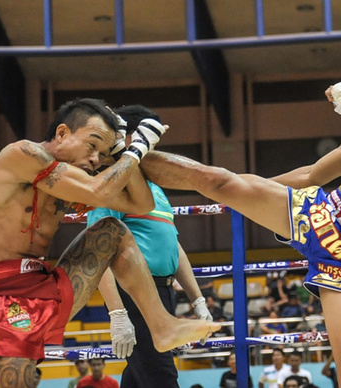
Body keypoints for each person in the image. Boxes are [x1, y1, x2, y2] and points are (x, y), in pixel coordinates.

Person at [139, 46, 341, 388]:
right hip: (318, 212)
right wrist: (246, 193)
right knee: (219, 181)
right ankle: (127, 157)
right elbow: (311, 177)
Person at [0, 98, 220, 385]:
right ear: (62, 133)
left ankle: (162, 326)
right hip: (4, 293)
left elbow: (141, 202)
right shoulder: (22, 154)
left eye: (102, 152)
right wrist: (137, 150)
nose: (96, 159)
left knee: (113, 230)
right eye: (92, 145)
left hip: (48, 283)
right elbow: (98, 191)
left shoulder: (73, 180)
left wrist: (123, 150)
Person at [87, 104, 213, 388]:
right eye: (150, 138)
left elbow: (172, 246)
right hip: (135, 291)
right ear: (128, 138)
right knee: (161, 376)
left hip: (163, 291)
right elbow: (97, 251)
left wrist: (197, 299)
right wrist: (117, 313)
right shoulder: (113, 183)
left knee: (141, 375)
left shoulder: (154, 188)